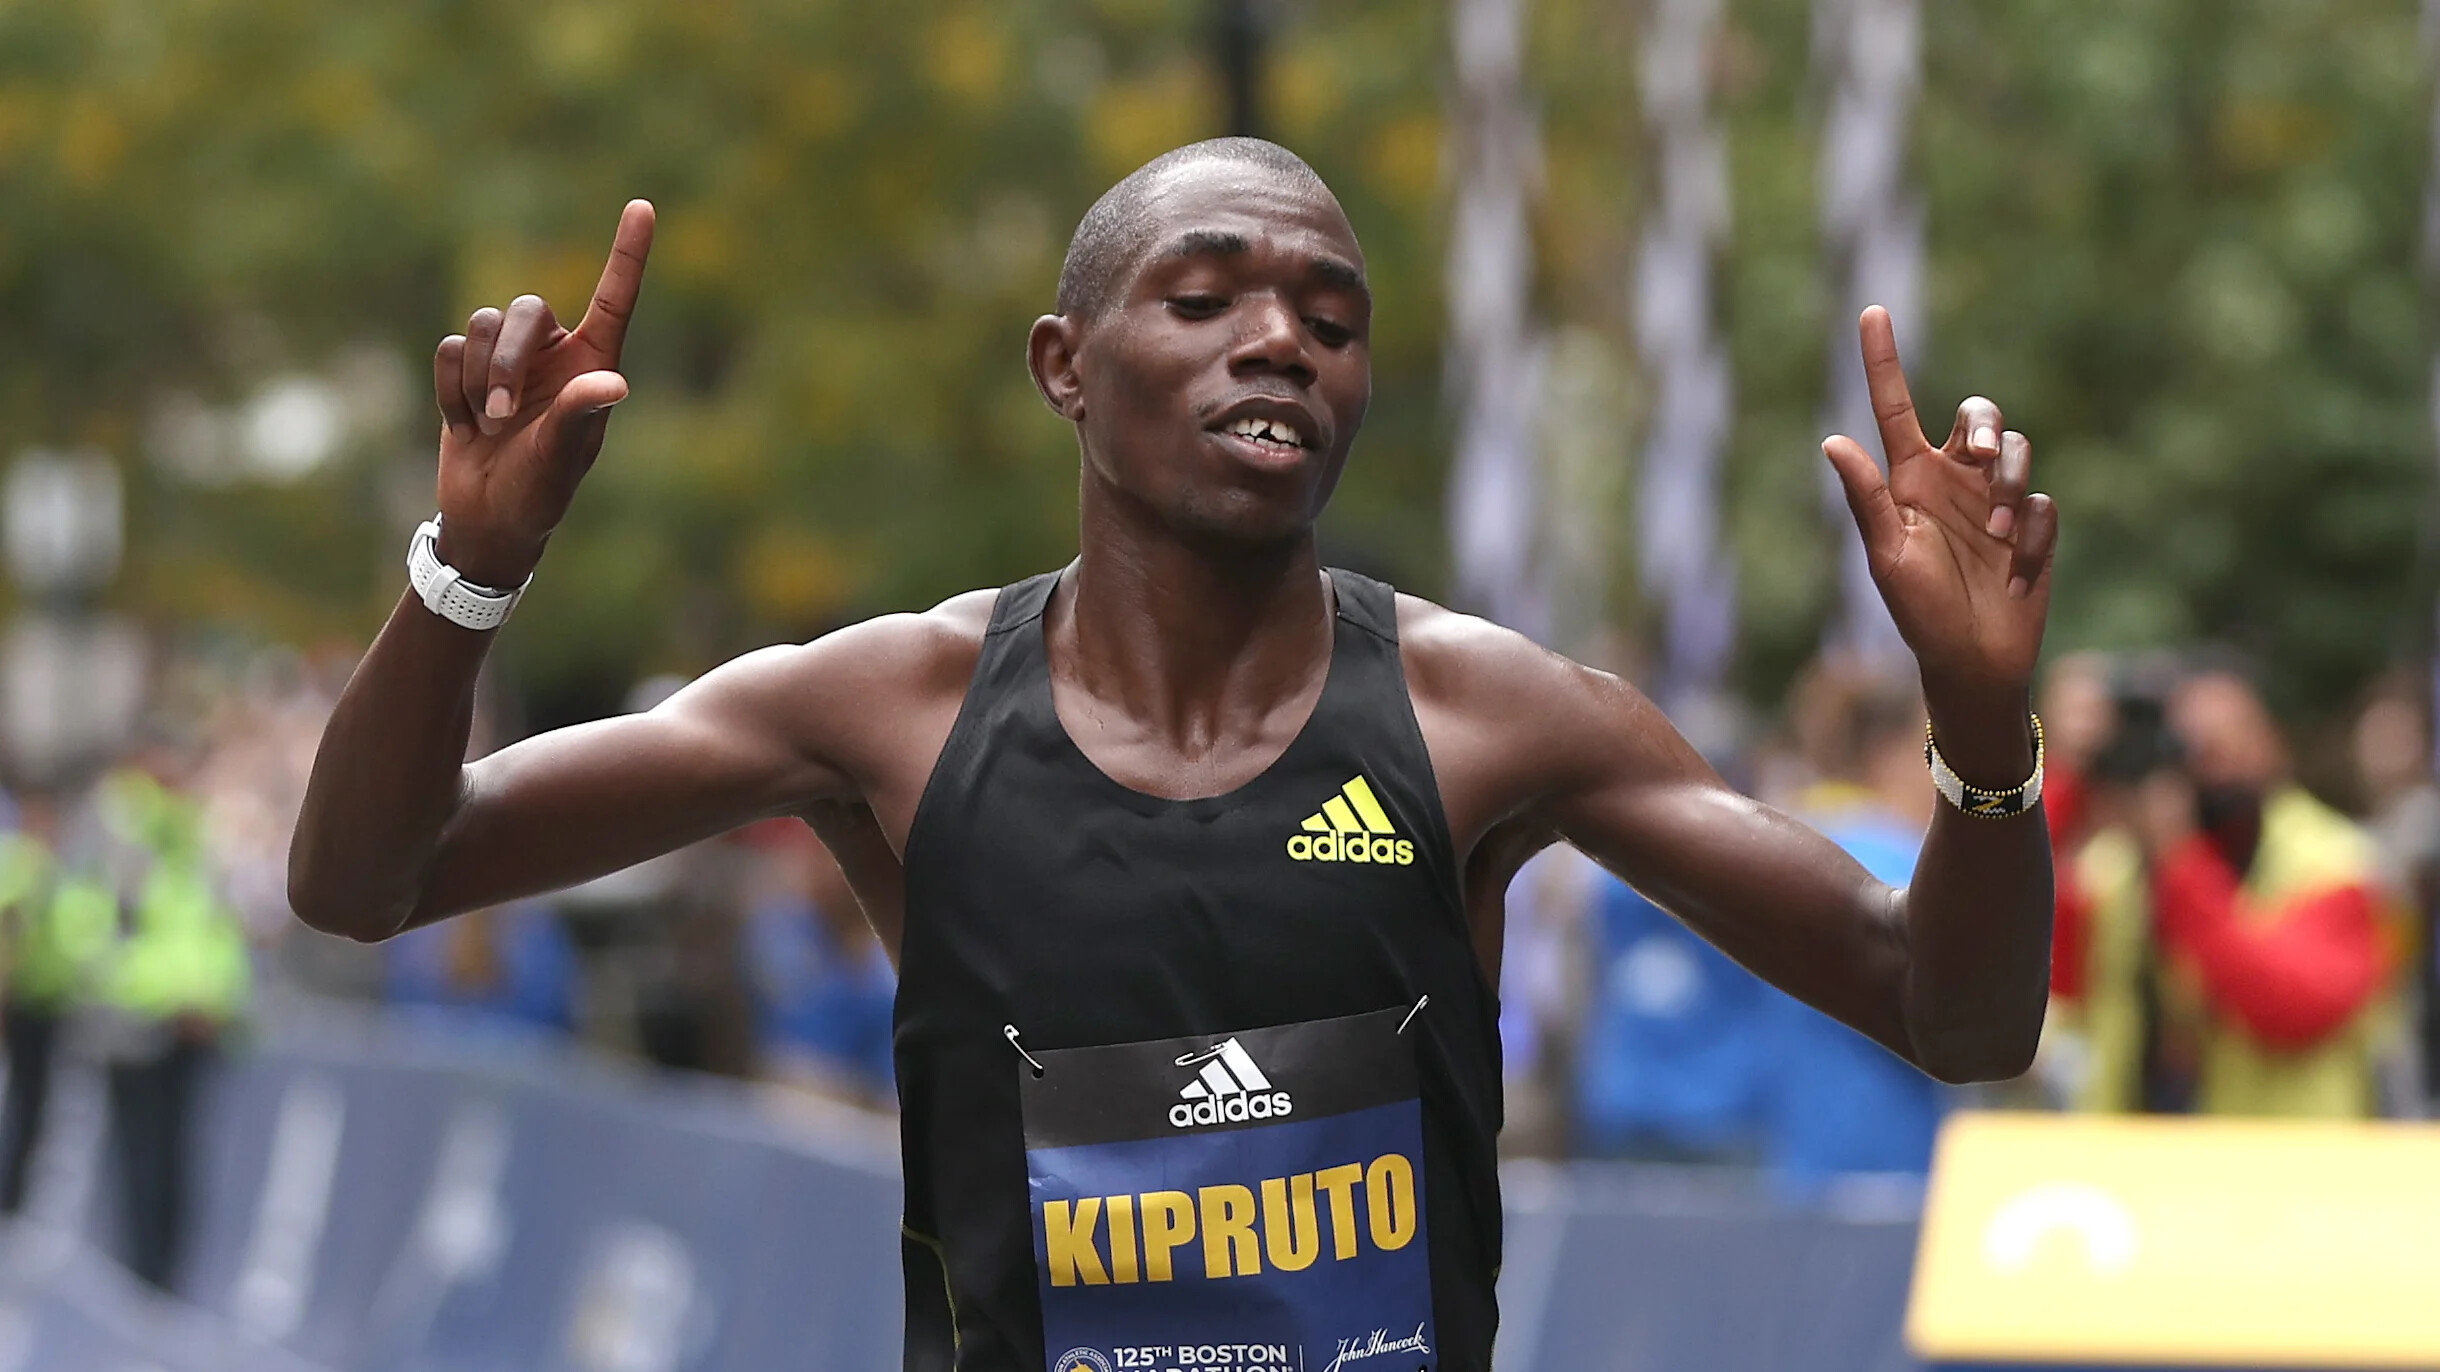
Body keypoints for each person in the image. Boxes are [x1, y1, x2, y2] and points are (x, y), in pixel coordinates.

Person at [290, 139, 2061, 1372]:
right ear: (1067, 365)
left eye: (1331, 321)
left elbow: (1959, 1018)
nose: (1279, 339)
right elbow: (368, 882)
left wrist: (1982, 726)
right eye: (1204, 299)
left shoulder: (1495, 716)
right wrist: (471, 574)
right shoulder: (888, 709)